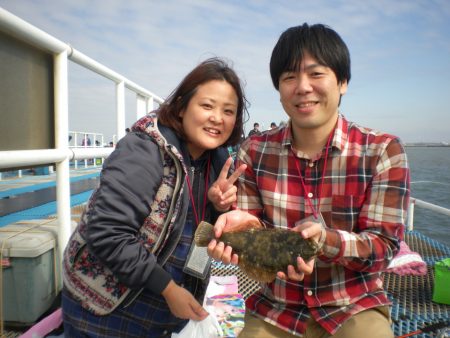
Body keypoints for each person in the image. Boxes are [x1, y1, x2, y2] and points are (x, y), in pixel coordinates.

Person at [208, 23, 410, 338]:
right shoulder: (254, 151)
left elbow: (383, 247)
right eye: (289, 77)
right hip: (276, 306)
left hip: (354, 304)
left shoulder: (383, 150)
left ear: (342, 82)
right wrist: (240, 225)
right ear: (279, 88)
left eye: (316, 74)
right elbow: (254, 228)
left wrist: (323, 242)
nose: (302, 87)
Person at [61, 57, 249, 337]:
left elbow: (200, 232)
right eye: (207, 106)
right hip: (105, 308)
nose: (217, 118)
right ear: (182, 106)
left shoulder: (218, 162)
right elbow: (108, 231)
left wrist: (217, 208)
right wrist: (170, 289)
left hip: (165, 311)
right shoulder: (145, 150)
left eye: (228, 111)